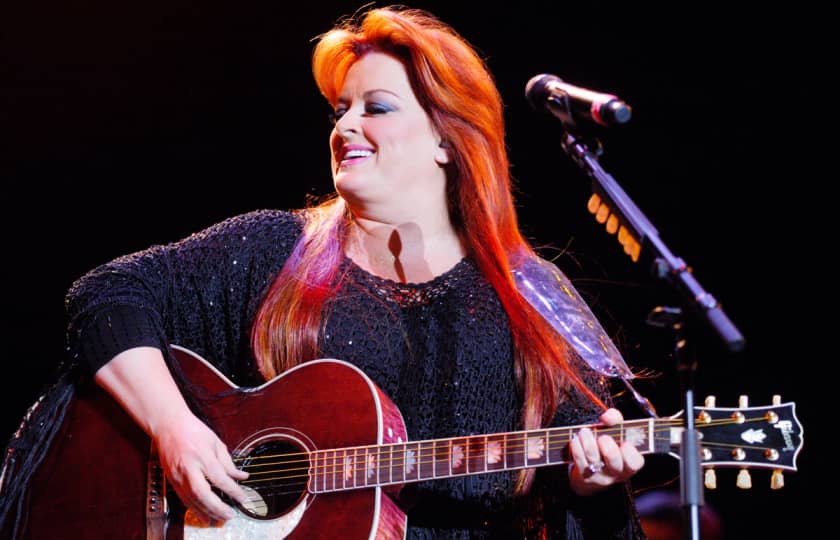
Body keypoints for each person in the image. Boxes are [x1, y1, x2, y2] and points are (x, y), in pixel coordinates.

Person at [1, 5, 647, 538]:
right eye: (341, 109)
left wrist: (591, 487)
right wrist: (176, 430)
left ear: (448, 140)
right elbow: (106, 295)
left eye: (376, 107)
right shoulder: (274, 248)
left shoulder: (535, 295)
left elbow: (594, 502)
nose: (345, 126)